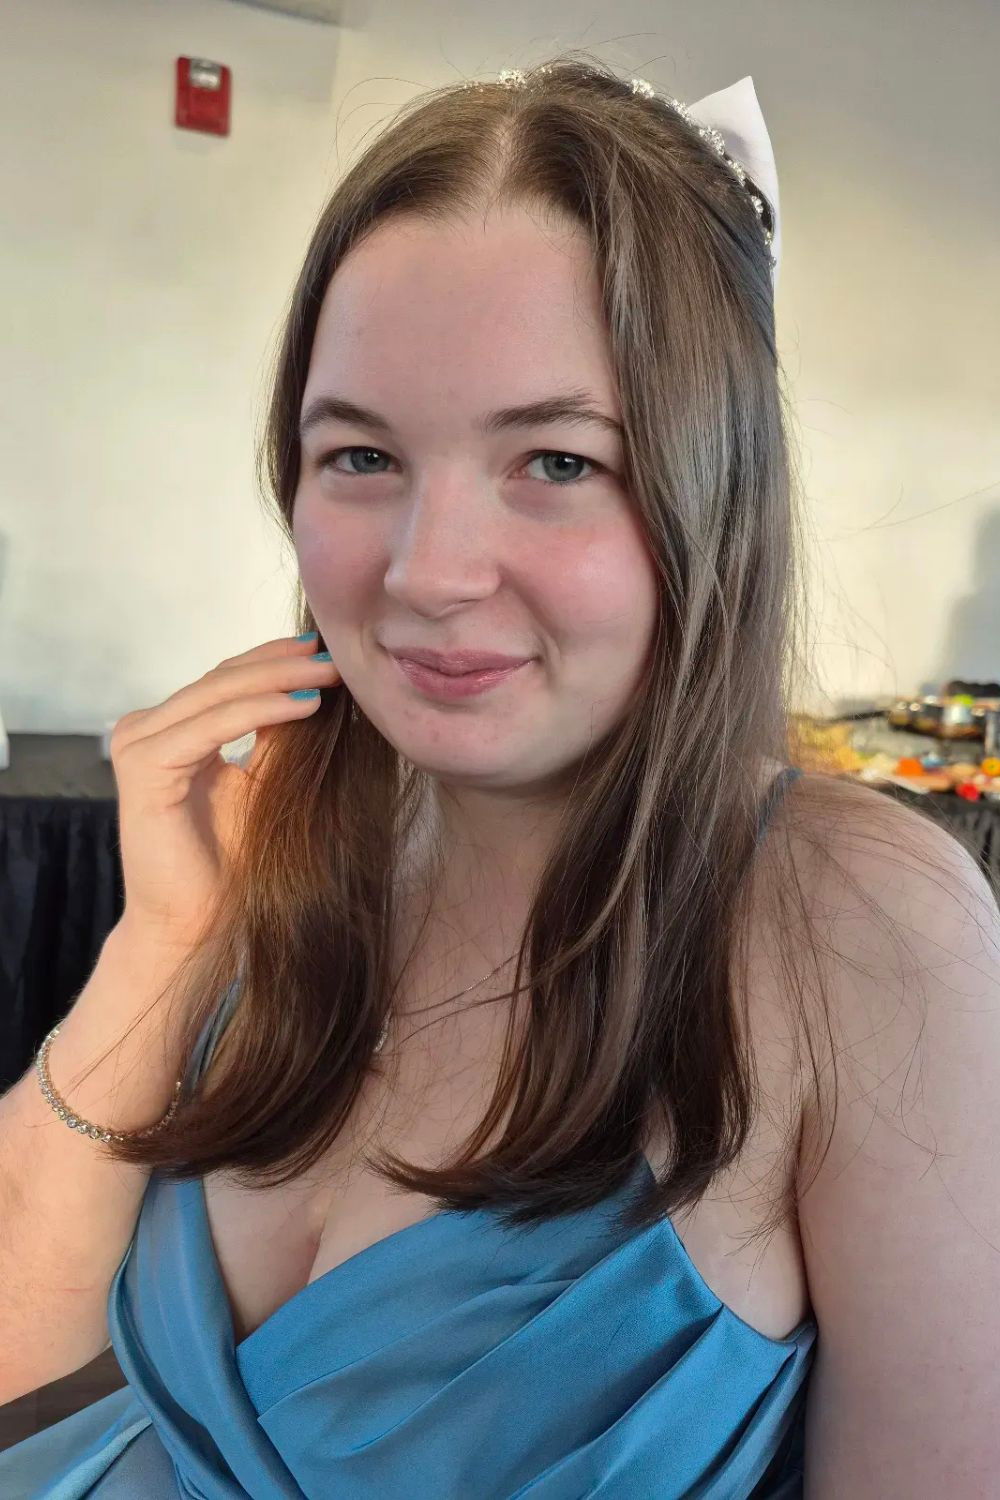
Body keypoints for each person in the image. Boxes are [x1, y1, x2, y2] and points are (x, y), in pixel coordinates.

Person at [1, 53, 997, 1499]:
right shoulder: (284, 836)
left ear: (709, 488)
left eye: (556, 462)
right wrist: (164, 947)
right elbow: (25, 1361)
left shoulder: (853, 919)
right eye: (361, 456)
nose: (427, 572)